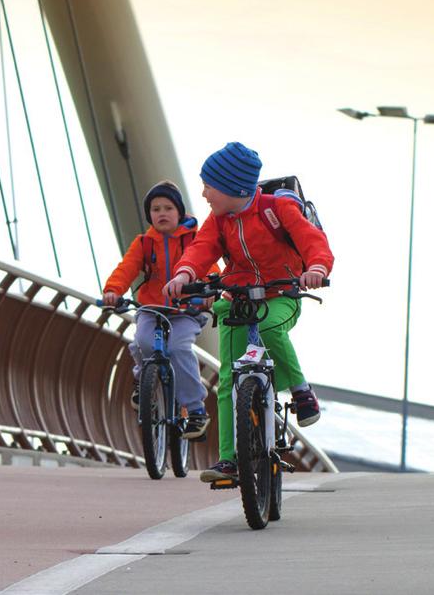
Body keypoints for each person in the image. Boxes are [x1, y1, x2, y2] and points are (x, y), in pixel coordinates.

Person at [162, 142, 333, 482]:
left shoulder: (278, 209)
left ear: (231, 186)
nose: (204, 193)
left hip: (281, 294)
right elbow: (201, 249)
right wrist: (184, 273)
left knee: (270, 328)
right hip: (238, 298)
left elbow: (311, 239)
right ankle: (229, 460)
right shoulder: (218, 221)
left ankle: (300, 390)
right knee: (228, 380)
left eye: (209, 185)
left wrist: (315, 267)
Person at [102, 181, 218, 440]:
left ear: (179, 212)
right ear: (149, 215)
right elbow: (127, 268)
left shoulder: (194, 240)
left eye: (168, 208)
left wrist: (208, 290)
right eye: (155, 209)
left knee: (178, 349)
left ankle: (196, 409)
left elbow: (209, 266)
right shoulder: (144, 243)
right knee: (143, 341)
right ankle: (143, 382)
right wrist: (113, 291)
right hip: (152, 309)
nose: (162, 213)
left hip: (186, 311)